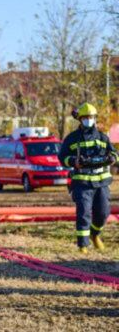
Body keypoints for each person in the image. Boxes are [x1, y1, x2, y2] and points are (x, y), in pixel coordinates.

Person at [58, 102, 119, 253]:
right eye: (85, 117)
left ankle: (95, 234)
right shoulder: (72, 139)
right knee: (84, 212)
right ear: (80, 119)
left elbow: (115, 154)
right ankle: (83, 245)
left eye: (91, 117)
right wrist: (73, 161)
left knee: (103, 212)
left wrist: (112, 158)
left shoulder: (103, 137)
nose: (88, 120)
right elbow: (62, 157)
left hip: (101, 182)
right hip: (82, 183)